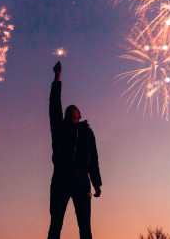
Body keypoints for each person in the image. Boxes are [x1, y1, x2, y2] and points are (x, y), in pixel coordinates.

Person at [47, 61, 102, 239]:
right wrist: (57, 78)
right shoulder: (59, 127)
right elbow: (54, 104)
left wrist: (97, 183)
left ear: (79, 115)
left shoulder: (87, 132)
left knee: (85, 227)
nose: (71, 109)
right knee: (55, 224)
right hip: (61, 177)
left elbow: (93, 158)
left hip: (81, 180)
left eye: (74, 109)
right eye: (68, 109)